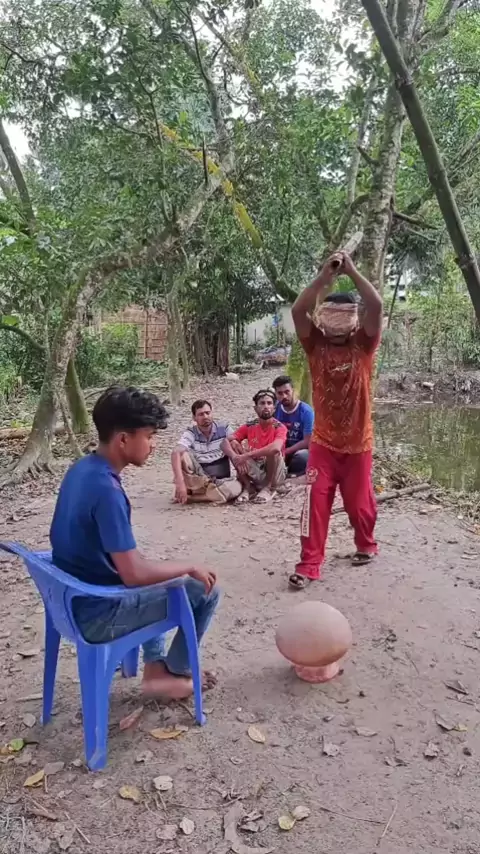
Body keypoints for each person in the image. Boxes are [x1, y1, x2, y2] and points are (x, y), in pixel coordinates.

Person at [50, 386, 219, 699]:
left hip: (70, 599)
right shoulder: (107, 491)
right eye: (149, 436)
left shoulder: (81, 468)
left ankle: (155, 667)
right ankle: (174, 671)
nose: (153, 444)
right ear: (123, 440)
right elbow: (133, 575)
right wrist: (189, 566)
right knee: (205, 588)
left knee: (161, 575)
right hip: (98, 614)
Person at [288, 251, 383, 590]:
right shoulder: (315, 345)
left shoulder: (364, 344)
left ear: (354, 322)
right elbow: (297, 311)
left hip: (359, 444)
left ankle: (366, 544)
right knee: (315, 501)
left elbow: (376, 306)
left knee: (360, 505)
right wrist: (324, 278)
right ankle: (309, 564)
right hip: (324, 444)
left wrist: (353, 272)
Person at [171, 400, 241, 504]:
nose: (205, 417)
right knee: (182, 455)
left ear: (212, 413)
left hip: (220, 481)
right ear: (194, 418)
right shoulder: (191, 433)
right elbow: (175, 452)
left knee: (236, 488)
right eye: (201, 414)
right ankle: (209, 494)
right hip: (199, 479)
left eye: (207, 413)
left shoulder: (224, 428)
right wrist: (179, 483)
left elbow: (238, 446)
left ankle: (193, 498)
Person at [224, 389, 288, 503]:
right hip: (256, 469)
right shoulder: (250, 426)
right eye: (262, 403)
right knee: (233, 443)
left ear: (274, 408)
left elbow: (276, 448)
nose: (266, 406)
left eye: (269, 403)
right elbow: (224, 442)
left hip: (275, 473)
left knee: (272, 451)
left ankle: (268, 488)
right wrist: (235, 457)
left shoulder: (279, 427)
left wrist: (247, 455)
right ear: (255, 408)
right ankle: (248, 487)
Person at [272, 375, 314, 476]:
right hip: (278, 450)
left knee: (303, 457)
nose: (284, 396)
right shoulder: (274, 408)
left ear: (293, 390)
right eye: (280, 393)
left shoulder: (306, 411)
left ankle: (289, 474)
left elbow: (307, 441)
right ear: (276, 394)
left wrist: (286, 451)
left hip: (297, 451)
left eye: (287, 392)